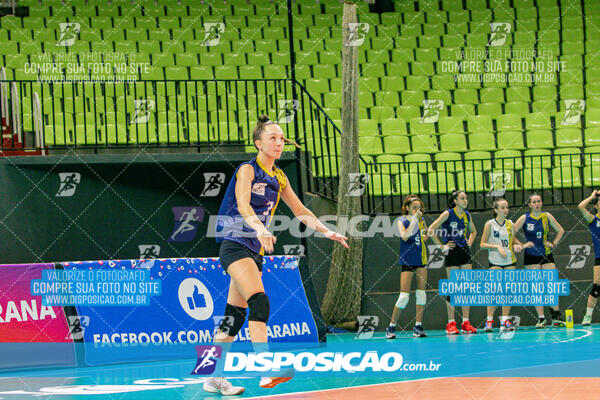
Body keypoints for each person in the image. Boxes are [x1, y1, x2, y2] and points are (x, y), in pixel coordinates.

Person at [203, 115, 349, 396]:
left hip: (255, 249)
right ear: (259, 143)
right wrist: (259, 227)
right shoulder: (248, 169)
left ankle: (210, 376)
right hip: (234, 243)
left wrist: (327, 231)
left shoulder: (279, 177)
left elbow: (300, 211)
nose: (279, 142)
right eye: (272, 138)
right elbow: (244, 206)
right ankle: (266, 369)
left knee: (233, 316)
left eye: (282, 138)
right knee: (260, 301)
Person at [428, 190, 478, 335]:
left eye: (466, 198)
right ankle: (451, 323)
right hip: (452, 251)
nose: (465, 200)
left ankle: (466, 322)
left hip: (464, 251)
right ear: (455, 200)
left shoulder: (467, 215)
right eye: (462, 198)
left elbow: (473, 231)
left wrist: (470, 241)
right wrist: (441, 246)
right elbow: (431, 230)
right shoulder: (448, 214)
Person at [513, 193, 566, 328]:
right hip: (531, 255)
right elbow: (509, 232)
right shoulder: (525, 218)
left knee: (551, 285)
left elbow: (561, 230)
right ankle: (541, 319)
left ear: (541, 203)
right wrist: (522, 245)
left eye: (538, 201)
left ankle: (556, 317)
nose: (536, 204)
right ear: (530, 205)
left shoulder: (546, 216)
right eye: (534, 202)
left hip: (546, 254)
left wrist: (553, 243)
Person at [386, 195, 430, 339]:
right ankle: (391, 327)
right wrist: (415, 220)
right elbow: (404, 236)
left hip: (420, 259)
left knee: (421, 294)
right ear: (407, 208)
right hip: (407, 260)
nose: (418, 210)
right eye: (414, 208)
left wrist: (425, 234)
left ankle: (418, 326)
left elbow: (424, 236)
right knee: (404, 296)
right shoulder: (401, 220)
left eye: (419, 207)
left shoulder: (422, 220)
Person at [479, 198, 525, 332]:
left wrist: (517, 245)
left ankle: (504, 322)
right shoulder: (490, 224)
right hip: (495, 262)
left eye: (507, 207)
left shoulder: (511, 224)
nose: (506, 210)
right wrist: (497, 247)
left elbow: (513, 240)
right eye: (503, 207)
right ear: (496, 210)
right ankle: (489, 321)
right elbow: (482, 244)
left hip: (510, 261)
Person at [577, 190, 600, 325]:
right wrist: (592, 197)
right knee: (597, 287)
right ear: (596, 206)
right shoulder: (593, 219)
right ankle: (588, 316)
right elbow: (580, 206)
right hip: (599, 256)